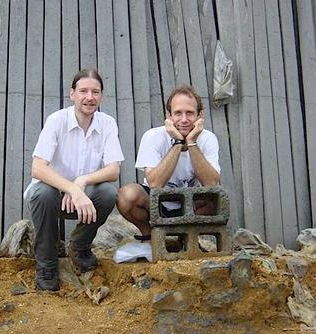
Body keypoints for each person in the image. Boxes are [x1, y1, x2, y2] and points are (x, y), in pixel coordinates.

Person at [24, 69, 124, 291]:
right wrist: (71, 188)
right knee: (43, 193)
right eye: (83, 91)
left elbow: (114, 170)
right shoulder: (57, 120)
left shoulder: (107, 124)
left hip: (82, 201)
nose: (89, 97)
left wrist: (82, 182)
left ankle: (79, 247)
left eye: (95, 92)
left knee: (108, 193)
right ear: (72, 94)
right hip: (51, 199)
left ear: (102, 96)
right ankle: (47, 263)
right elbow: (38, 168)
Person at [116, 85, 221, 244]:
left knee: (216, 198)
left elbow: (211, 183)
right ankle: (149, 237)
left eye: (190, 113)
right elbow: (155, 184)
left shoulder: (208, 138)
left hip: (191, 204)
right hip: (155, 203)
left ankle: (186, 240)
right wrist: (178, 143)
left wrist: (191, 142)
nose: (184, 119)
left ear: (200, 115)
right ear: (169, 116)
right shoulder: (153, 136)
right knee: (126, 196)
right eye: (178, 113)